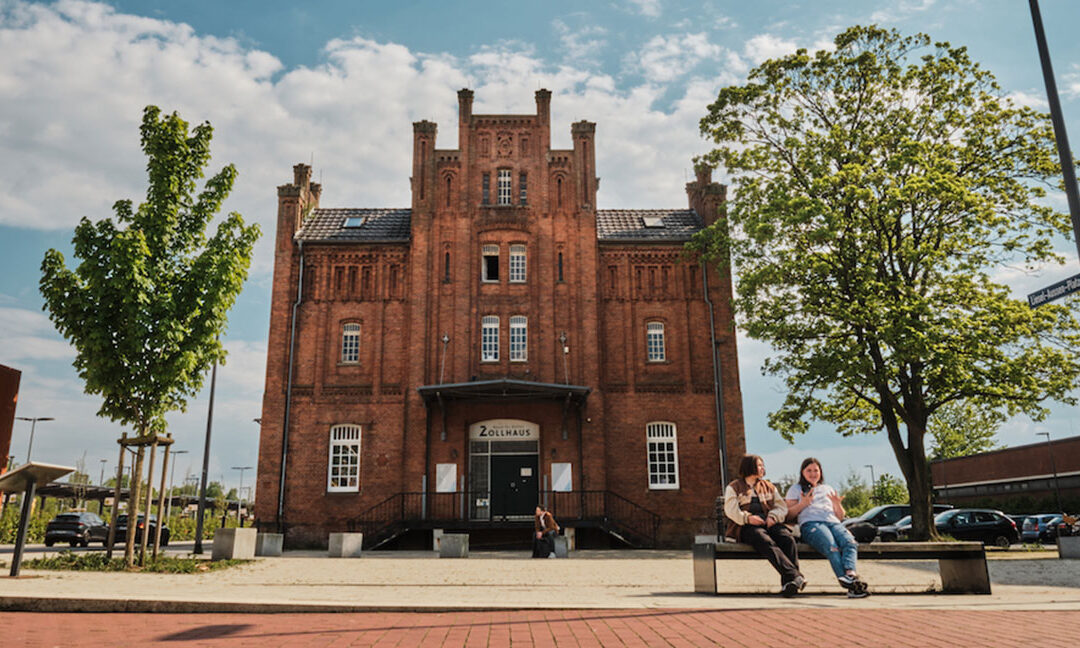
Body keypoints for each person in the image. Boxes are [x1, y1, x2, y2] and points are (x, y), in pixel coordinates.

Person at [784, 457, 869, 598]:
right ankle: (849, 583)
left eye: (816, 470)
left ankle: (850, 574)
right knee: (832, 546)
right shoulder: (795, 489)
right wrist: (803, 504)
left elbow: (840, 516)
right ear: (802, 472)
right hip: (811, 524)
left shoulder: (827, 488)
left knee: (850, 542)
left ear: (821, 472)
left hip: (833, 523)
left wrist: (837, 504)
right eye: (809, 470)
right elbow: (788, 515)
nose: (813, 474)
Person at [723, 454, 805, 597]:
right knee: (763, 539)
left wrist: (773, 516)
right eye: (759, 465)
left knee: (787, 539)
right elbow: (731, 511)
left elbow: (781, 507)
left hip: (769, 523)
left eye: (762, 465)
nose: (762, 468)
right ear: (749, 467)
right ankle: (794, 575)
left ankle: (789, 583)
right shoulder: (734, 487)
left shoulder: (768, 486)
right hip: (745, 527)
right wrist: (748, 518)